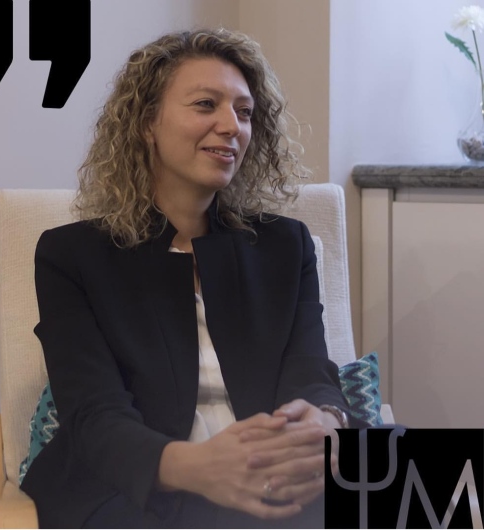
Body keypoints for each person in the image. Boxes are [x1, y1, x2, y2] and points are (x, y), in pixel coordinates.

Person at [20, 27, 367, 529]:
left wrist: (326, 422)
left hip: (280, 477)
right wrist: (197, 468)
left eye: (244, 112)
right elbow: (95, 414)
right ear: (147, 122)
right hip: (143, 487)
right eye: (206, 104)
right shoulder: (71, 255)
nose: (231, 126)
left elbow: (311, 371)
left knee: (433, 482)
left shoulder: (285, 245)